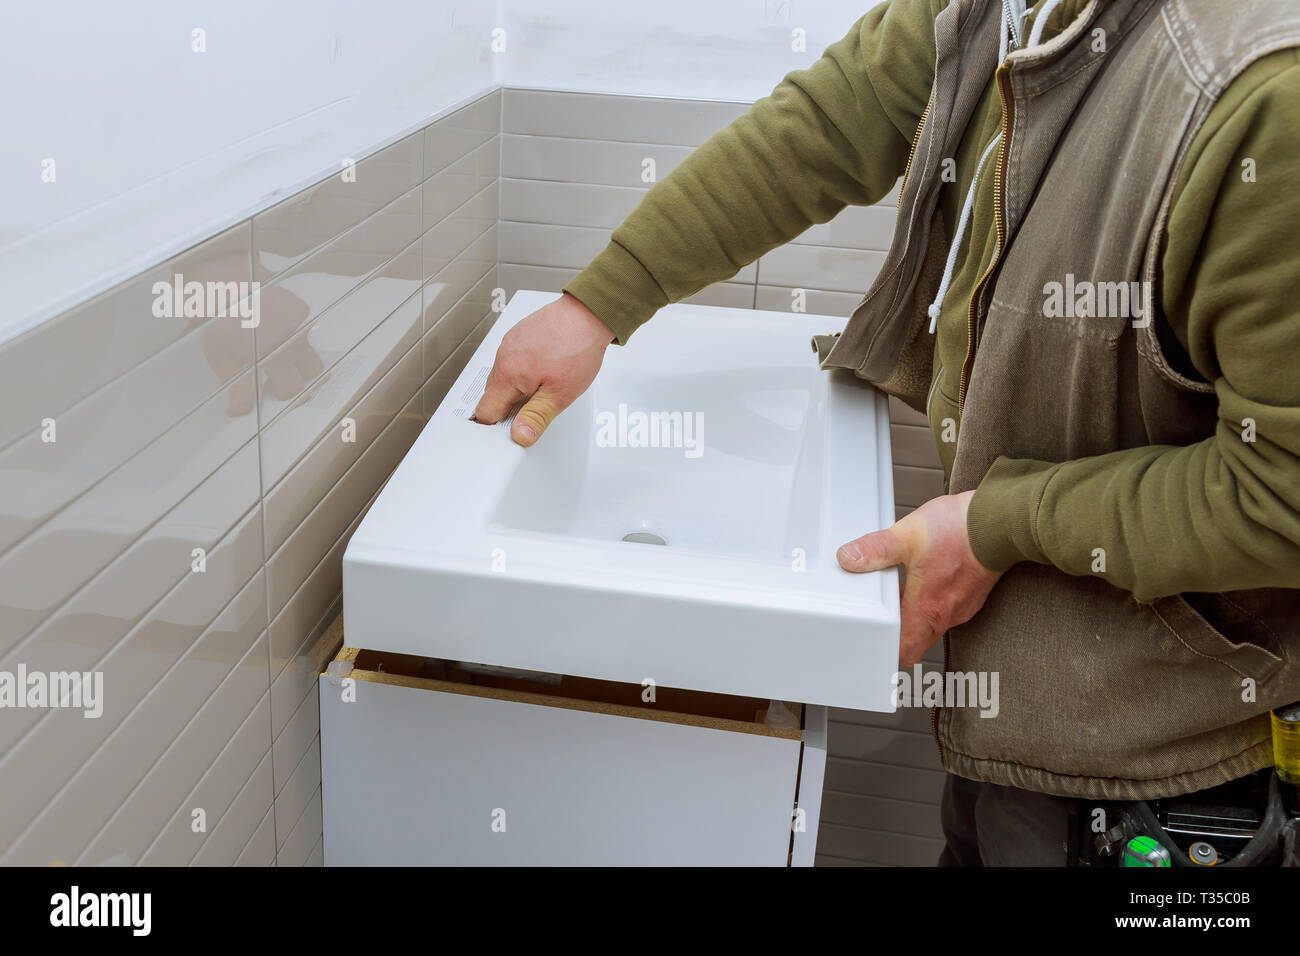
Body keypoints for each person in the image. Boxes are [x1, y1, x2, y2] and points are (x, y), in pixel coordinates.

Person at [473, 0, 1300, 864]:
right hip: (1029, 712)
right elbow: (827, 126)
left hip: (1178, 761)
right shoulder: (1006, 10)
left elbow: (1285, 497)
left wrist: (997, 526)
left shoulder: (1262, 88)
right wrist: (601, 301)